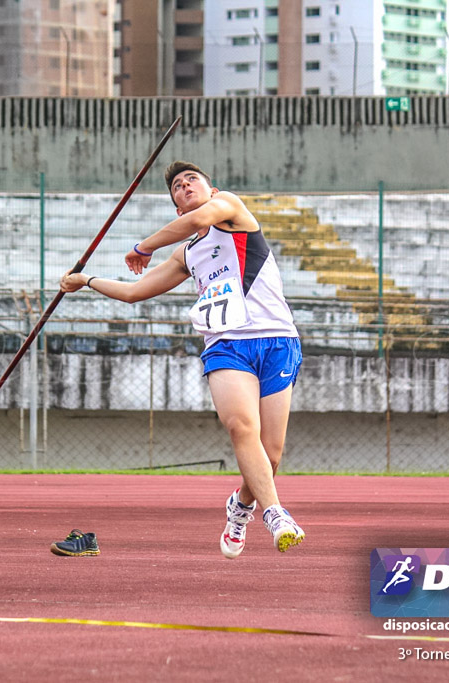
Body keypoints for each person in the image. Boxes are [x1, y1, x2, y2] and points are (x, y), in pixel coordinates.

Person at [60, 161, 305, 558]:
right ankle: (275, 514)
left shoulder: (230, 210)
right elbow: (135, 291)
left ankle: (240, 508)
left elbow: (204, 216)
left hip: (276, 338)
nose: (185, 185)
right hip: (226, 346)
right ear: (177, 208)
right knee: (242, 428)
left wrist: (143, 246)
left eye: (192, 180)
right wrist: (85, 281)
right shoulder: (187, 254)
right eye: (177, 185)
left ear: (212, 190)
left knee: (270, 454)